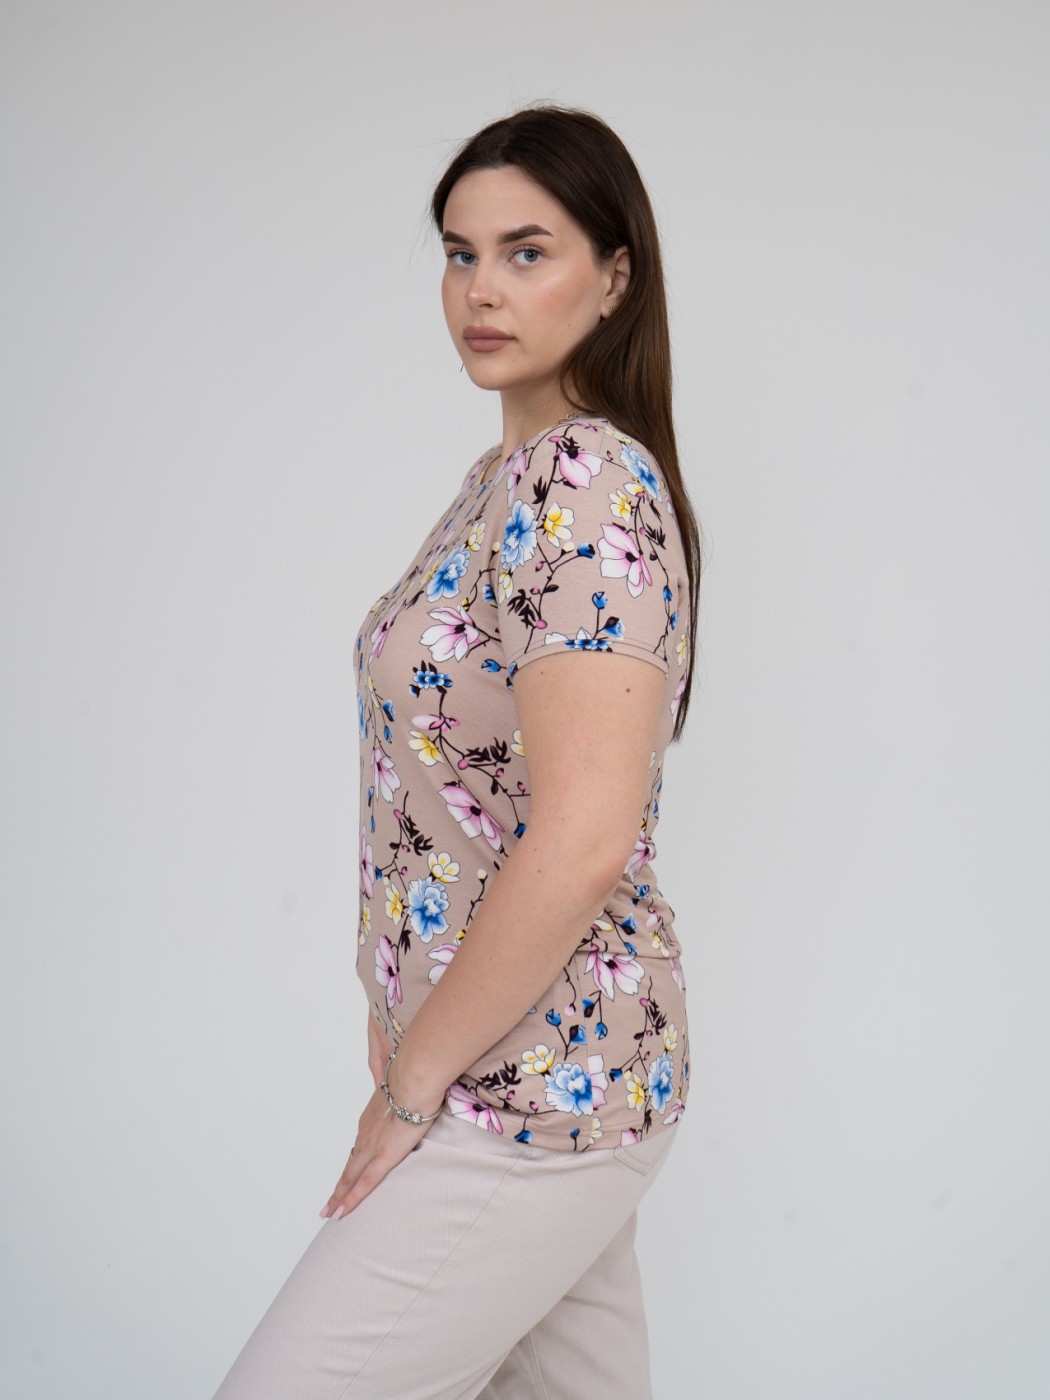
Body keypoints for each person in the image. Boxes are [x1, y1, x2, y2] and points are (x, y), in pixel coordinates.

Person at [212, 102, 703, 1400]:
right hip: (521, 1063)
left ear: (614, 278)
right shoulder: (503, 480)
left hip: (535, 1085)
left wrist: (414, 1083)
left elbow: (584, 836)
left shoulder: (582, 483)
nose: (480, 290)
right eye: (459, 253)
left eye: (526, 253)